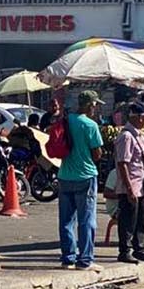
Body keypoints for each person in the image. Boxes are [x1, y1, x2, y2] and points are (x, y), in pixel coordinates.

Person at [56, 91, 105, 271]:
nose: (96, 108)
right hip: (85, 176)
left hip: (64, 175)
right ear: (90, 105)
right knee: (86, 220)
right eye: (95, 105)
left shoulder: (65, 121)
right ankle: (85, 260)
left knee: (66, 220)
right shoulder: (90, 125)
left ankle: (68, 258)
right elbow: (97, 153)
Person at [112, 103, 144, 264]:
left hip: (141, 184)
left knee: (141, 219)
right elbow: (123, 163)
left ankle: (140, 248)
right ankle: (125, 250)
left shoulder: (139, 135)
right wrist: (129, 188)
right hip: (131, 186)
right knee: (128, 220)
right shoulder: (126, 136)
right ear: (137, 117)